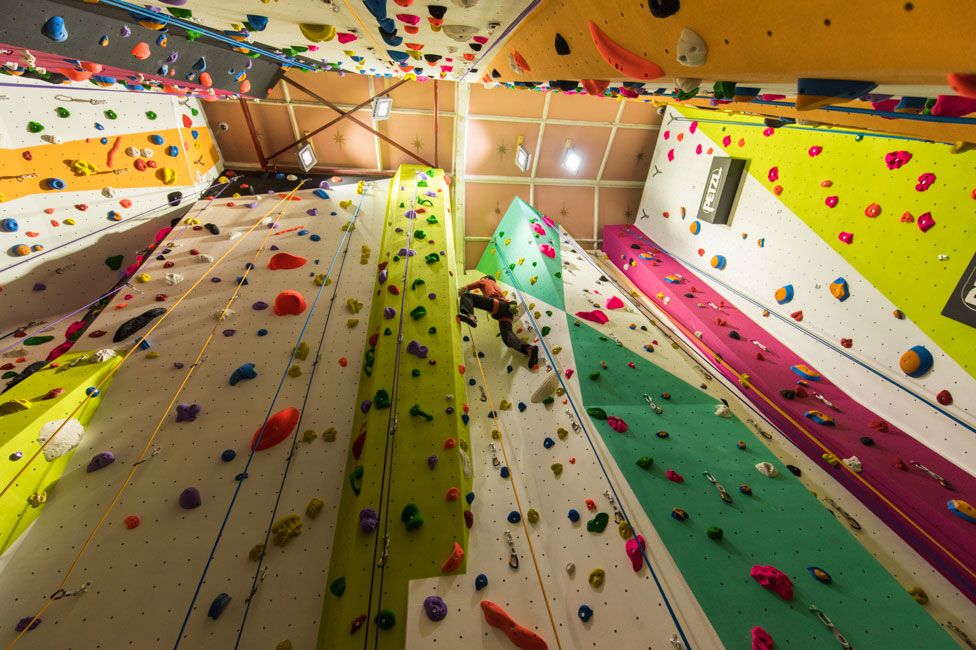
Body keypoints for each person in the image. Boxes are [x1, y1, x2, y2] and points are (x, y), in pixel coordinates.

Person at [457, 276, 539, 369]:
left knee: (467, 296)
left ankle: (471, 317)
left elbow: (477, 284)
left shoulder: (486, 280)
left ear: (486, 278)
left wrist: (464, 289)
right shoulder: (496, 287)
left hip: (498, 305)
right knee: (507, 337)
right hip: (507, 312)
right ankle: (529, 350)